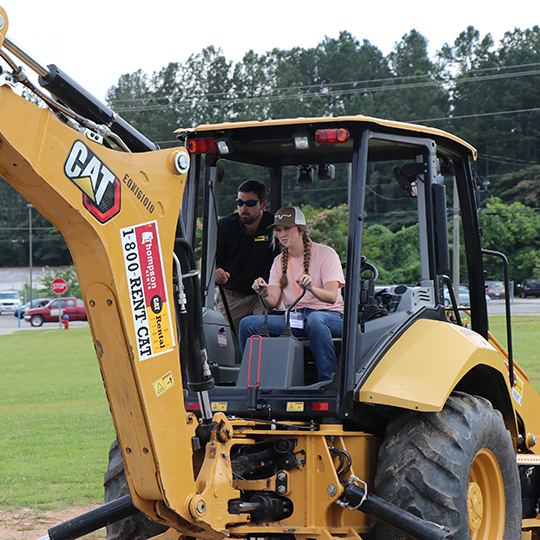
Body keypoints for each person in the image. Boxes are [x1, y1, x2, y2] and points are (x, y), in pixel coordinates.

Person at [239, 207, 345, 382]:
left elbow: (332, 296)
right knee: (247, 324)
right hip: (295, 319)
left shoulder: (326, 254)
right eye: (278, 230)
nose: (282, 234)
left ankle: (328, 382)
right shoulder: (279, 261)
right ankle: (253, 383)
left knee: (315, 320)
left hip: (330, 316)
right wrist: (264, 292)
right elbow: (272, 302)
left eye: (288, 229)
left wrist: (311, 288)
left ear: (301, 230)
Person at [215, 179, 280, 335]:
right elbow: (207, 262)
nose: (243, 208)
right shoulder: (225, 225)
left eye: (250, 203)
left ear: (263, 205)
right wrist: (215, 272)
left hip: (262, 296)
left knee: (261, 334)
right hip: (231, 297)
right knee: (223, 342)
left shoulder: (274, 226)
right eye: (239, 202)